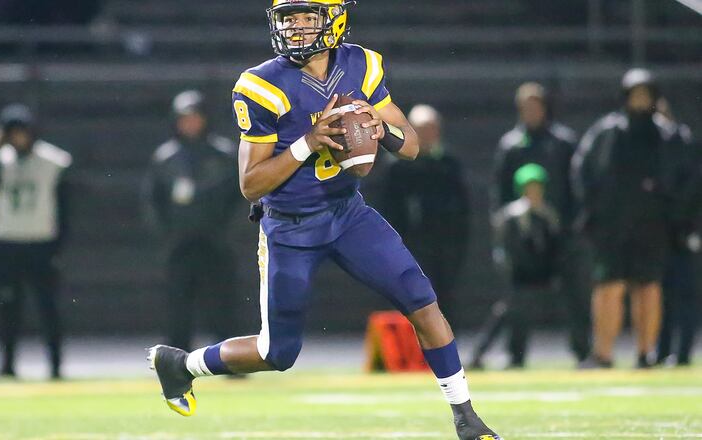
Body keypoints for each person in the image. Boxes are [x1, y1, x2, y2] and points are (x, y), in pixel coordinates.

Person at [147, 2, 501, 439]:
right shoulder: (262, 84)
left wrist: (382, 130)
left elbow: (410, 146)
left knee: (423, 303)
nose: (295, 28)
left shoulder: (361, 65)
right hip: (290, 225)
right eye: (288, 18)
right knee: (276, 353)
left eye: (306, 17)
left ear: (334, 19)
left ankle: (466, 417)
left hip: (347, 213)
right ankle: (181, 364)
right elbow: (251, 184)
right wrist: (308, 143)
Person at [573, 68, 696, 368]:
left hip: (652, 226)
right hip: (611, 226)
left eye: (645, 94)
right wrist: (594, 210)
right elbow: (583, 169)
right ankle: (603, 353)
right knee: (608, 287)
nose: (640, 101)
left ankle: (645, 352)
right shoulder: (607, 131)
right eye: (635, 94)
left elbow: (688, 180)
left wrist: (675, 216)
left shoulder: (669, 135)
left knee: (648, 288)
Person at [492, 82, 591, 364]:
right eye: (526, 107)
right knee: (516, 298)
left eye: (536, 106)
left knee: (576, 294)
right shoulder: (511, 145)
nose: (531, 112)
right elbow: (499, 193)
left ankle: (583, 351)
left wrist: (571, 226)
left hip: (560, 235)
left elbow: (576, 187)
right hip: (523, 238)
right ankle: (515, 355)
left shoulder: (563, 143)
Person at [141, 90, 243, 350]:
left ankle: (227, 358)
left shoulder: (224, 155)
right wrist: (167, 235)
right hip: (180, 246)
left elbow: (240, 199)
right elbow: (153, 201)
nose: (191, 124)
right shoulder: (166, 158)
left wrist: (229, 233)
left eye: (196, 117)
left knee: (222, 306)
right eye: (185, 119)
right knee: (177, 307)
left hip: (216, 244)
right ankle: (177, 360)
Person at [0, 104, 72, 379]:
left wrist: (58, 245)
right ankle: (7, 363)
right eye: (13, 133)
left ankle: (55, 364)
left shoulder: (52, 160)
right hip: (7, 243)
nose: (19, 138)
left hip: (41, 243)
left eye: (22, 132)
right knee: (7, 306)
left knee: (48, 306)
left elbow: (65, 207)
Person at [383, 104, 470, 321]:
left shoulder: (449, 163)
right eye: (421, 130)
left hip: (445, 245)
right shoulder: (398, 167)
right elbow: (390, 208)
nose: (427, 135)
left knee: (445, 298)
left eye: (431, 129)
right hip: (411, 244)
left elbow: (462, 207)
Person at [470, 164, 560, 369]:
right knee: (511, 312)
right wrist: (510, 271)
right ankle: (492, 354)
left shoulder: (547, 214)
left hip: (539, 275)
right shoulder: (512, 215)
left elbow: (553, 245)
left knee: (517, 314)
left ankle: (512, 355)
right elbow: (504, 247)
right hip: (518, 276)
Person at [654, 97, 701, 366]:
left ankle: (682, 352)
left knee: (684, 294)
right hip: (656, 234)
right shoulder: (646, 147)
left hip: (682, 232)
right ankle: (660, 350)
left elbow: (692, 189)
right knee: (658, 296)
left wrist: (686, 223)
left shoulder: (683, 143)